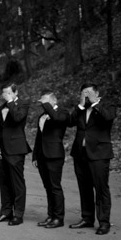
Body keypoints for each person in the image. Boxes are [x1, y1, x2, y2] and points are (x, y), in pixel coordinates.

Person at [67, 84, 116, 235]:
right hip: (80, 154)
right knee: (84, 188)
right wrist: (81, 105)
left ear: (97, 93)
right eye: (83, 93)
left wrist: (95, 103)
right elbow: (69, 122)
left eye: (89, 93)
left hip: (99, 154)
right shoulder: (81, 109)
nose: (86, 95)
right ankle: (87, 218)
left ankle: (103, 222)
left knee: (101, 188)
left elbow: (107, 118)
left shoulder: (108, 106)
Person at [0, 83, 31, 226]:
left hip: (16, 149)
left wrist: (10, 103)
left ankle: (18, 214)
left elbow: (17, 118)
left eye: (8, 93)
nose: (5, 96)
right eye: (3, 93)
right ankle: (6, 212)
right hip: (2, 150)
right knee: (4, 182)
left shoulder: (23, 104)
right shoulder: (2, 108)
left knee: (17, 182)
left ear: (15, 93)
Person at [32, 90, 69, 229]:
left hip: (54, 155)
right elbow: (38, 137)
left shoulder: (62, 113)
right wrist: (35, 156)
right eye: (42, 102)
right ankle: (51, 215)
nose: (43, 104)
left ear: (54, 101)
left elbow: (56, 119)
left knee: (55, 186)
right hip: (42, 155)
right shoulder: (42, 116)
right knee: (47, 187)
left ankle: (59, 218)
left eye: (46, 101)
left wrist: (47, 105)